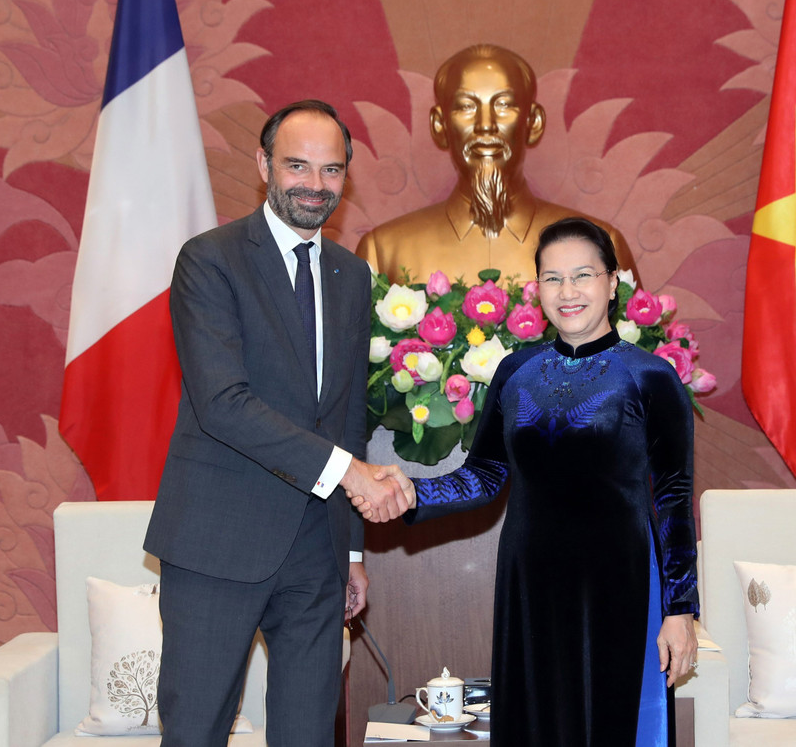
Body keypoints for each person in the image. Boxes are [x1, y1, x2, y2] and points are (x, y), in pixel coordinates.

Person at [354, 217, 698, 747]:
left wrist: (679, 611)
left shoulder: (651, 376)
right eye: (553, 278)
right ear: (538, 289)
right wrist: (412, 492)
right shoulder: (516, 371)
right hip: (530, 580)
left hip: (622, 581)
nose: (568, 291)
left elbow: (673, 496)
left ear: (612, 283)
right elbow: (485, 474)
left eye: (582, 275)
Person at [143, 100, 413, 747]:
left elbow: (345, 414)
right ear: (264, 165)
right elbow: (223, 403)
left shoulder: (352, 275)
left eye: (331, 170)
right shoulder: (209, 260)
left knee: (309, 734)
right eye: (297, 166)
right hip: (218, 541)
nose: (314, 185)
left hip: (317, 549)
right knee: (197, 731)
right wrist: (350, 474)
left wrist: (352, 552)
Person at [355, 44, 640, 285]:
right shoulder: (384, 252)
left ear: (533, 122)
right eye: (466, 106)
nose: (486, 125)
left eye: (504, 105)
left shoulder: (602, 246)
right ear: (439, 125)